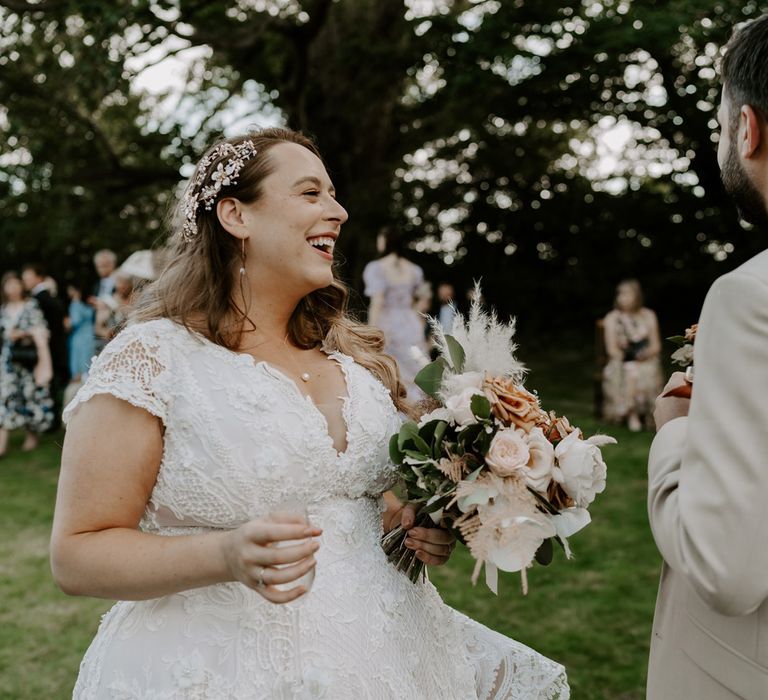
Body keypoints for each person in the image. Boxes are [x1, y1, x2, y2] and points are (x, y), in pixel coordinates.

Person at [50, 128, 568, 699]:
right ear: (236, 216)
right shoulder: (154, 358)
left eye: (334, 194)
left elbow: (359, 500)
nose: (338, 211)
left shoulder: (352, 356)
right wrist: (223, 554)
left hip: (392, 658)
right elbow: (77, 553)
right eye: (310, 193)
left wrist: (411, 525)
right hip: (223, 671)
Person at [647, 16, 768, 699]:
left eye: (721, 126)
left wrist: (678, 437)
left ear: (747, 129)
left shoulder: (752, 297)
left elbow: (727, 573)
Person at [362, 226, 430, 399]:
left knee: (390, 370)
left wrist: (371, 332)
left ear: (385, 241)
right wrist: (413, 317)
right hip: (410, 323)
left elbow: (377, 303)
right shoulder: (414, 270)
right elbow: (422, 299)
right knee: (416, 369)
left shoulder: (377, 268)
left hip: (388, 323)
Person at [0, 272, 54, 456]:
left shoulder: (31, 306)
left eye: (16, 284)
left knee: (29, 395)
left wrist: (23, 334)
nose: (13, 288)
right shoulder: (3, 309)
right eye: (9, 285)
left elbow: (43, 329)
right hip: (8, 360)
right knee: (6, 395)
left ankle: (32, 434)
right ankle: (2, 443)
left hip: (28, 359)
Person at [601, 279, 662, 431]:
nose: (623, 298)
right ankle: (631, 413)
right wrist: (627, 356)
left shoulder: (648, 315)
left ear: (637, 296)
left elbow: (656, 345)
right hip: (622, 360)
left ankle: (650, 415)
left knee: (644, 369)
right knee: (631, 370)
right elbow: (611, 349)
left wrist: (645, 354)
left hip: (645, 359)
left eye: (628, 294)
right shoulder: (612, 318)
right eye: (621, 294)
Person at [20, 264, 69, 400]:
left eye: (28, 278)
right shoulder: (50, 297)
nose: (25, 282)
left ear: (38, 278)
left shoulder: (39, 300)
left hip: (48, 348)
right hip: (57, 347)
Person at [65, 283, 95, 382]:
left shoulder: (75, 304)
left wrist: (67, 323)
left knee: (78, 358)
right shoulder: (89, 304)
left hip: (79, 336)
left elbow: (75, 321)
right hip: (90, 335)